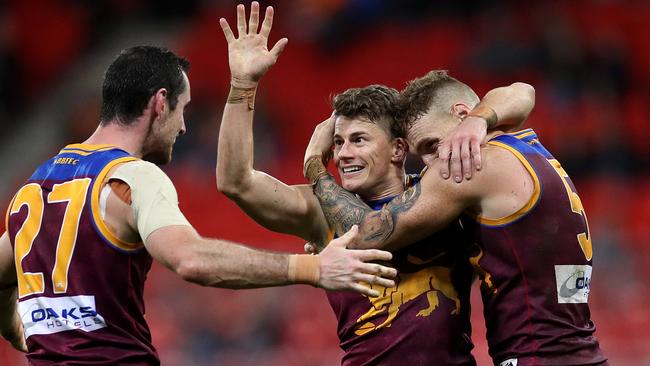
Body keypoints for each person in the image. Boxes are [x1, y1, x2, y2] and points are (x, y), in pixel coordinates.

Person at [0, 14, 401, 365]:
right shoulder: (133, 177)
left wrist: (21, 333)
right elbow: (191, 260)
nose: (183, 127)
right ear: (160, 103)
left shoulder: (34, 187)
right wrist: (312, 268)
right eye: (183, 109)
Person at [217, 3, 535, 364]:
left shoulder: (446, 194)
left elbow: (521, 93)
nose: (343, 154)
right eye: (337, 143)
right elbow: (235, 182)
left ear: (399, 149)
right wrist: (243, 85)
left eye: (359, 140)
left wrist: (478, 120)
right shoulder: (320, 210)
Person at [304, 70, 608, 366]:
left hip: (537, 357)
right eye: (421, 154)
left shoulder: (474, 166)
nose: (429, 164)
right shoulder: (526, 148)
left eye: (433, 145)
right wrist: (478, 119)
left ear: (462, 115)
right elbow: (523, 90)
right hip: (582, 351)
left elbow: (369, 234)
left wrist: (315, 164)